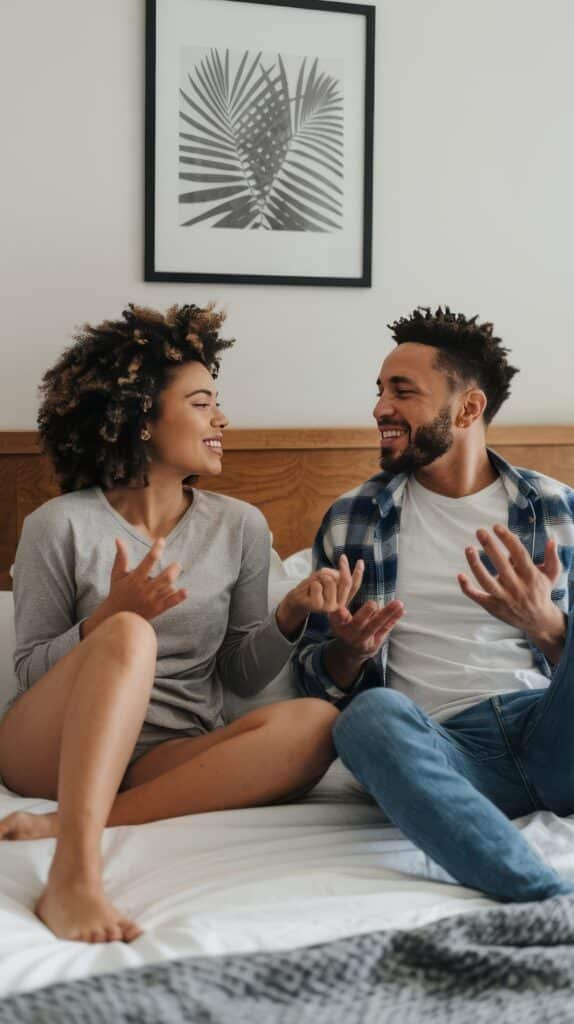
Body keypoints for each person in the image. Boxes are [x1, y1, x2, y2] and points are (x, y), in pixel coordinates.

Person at [0, 302, 344, 944]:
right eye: (202, 403)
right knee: (131, 635)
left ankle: (81, 821)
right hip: (47, 749)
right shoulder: (60, 525)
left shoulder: (240, 525)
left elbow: (240, 674)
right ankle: (73, 875)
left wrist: (290, 614)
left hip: (164, 753)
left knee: (319, 722)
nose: (223, 420)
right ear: (142, 419)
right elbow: (28, 669)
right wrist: (112, 616)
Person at [295, 305, 574, 904]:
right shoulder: (353, 521)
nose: (379, 409)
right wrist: (346, 653)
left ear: (468, 409)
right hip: (445, 753)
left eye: (403, 392)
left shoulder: (557, 509)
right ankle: (541, 900)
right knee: (367, 718)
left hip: (554, 732)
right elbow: (313, 687)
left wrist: (547, 624)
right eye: (379, 391)